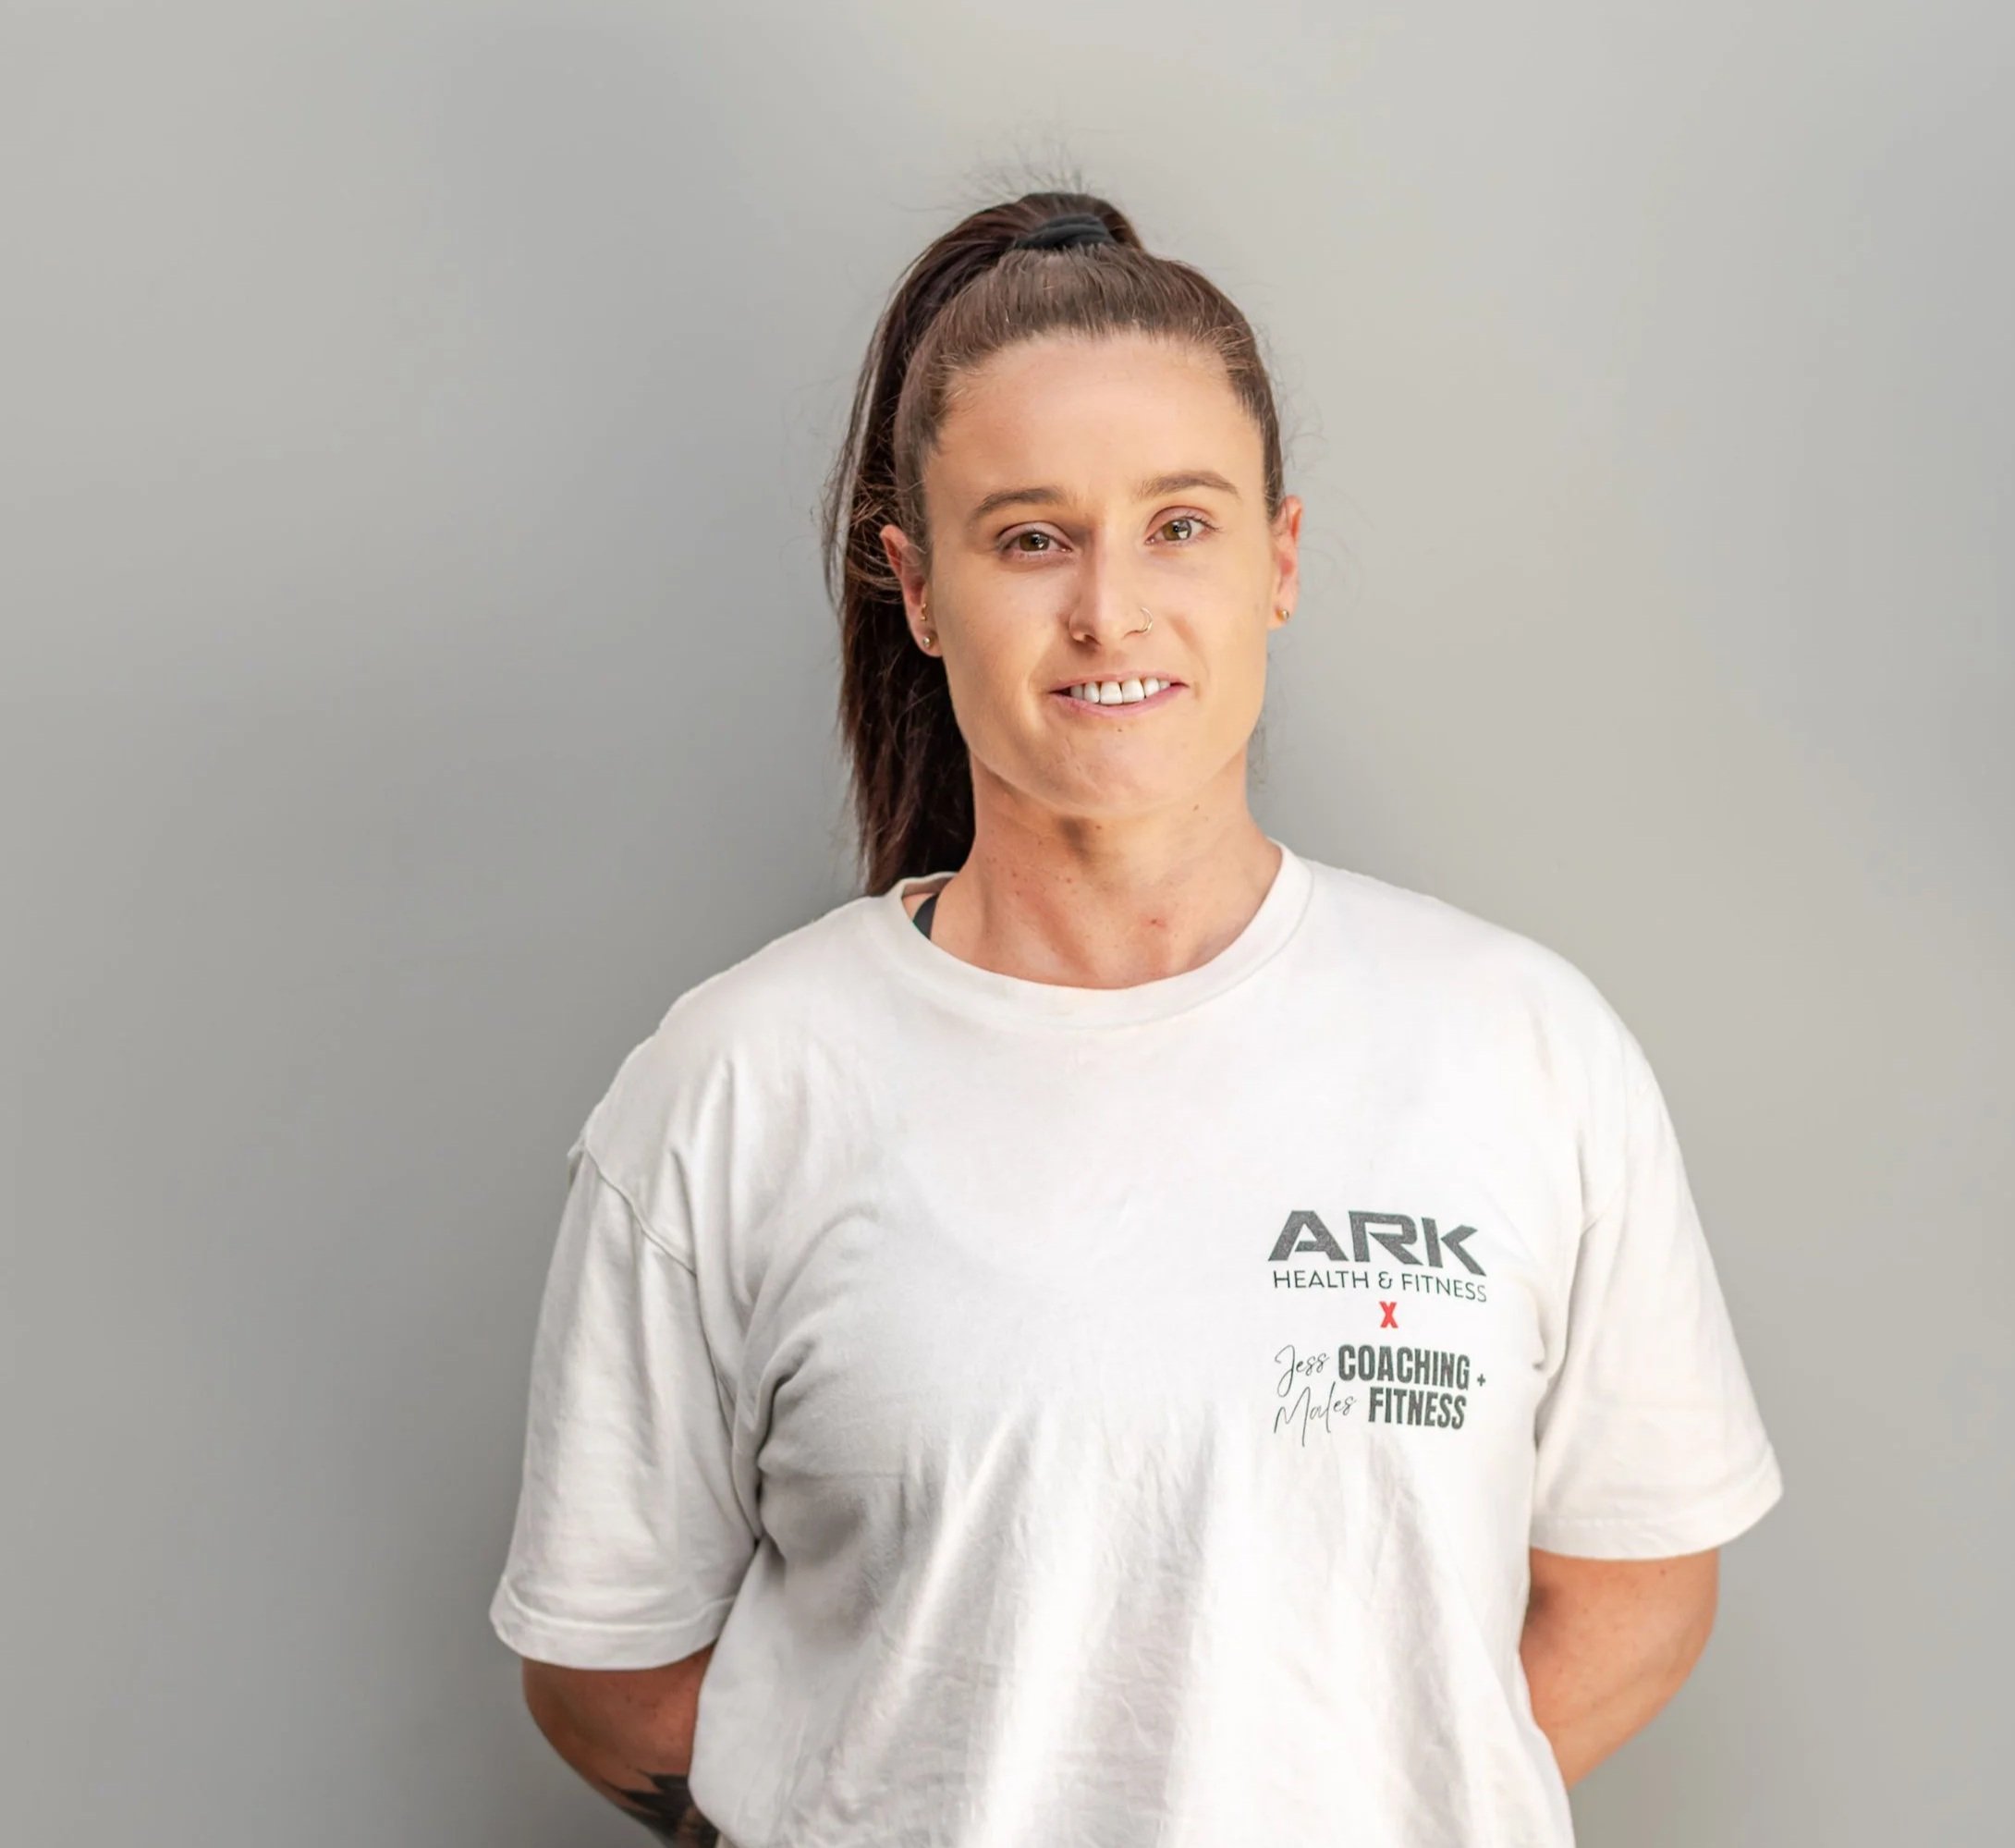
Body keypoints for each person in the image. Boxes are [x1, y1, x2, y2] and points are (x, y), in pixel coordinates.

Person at [488, 188, 1786, 1848]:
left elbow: (1635, 1595)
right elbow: (607, 1679)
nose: (1111, 609)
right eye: (1032, 537)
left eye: (1180, 524)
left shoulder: (1520, 1051)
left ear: (1280, 559)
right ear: (917, 587)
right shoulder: (739, 1086)